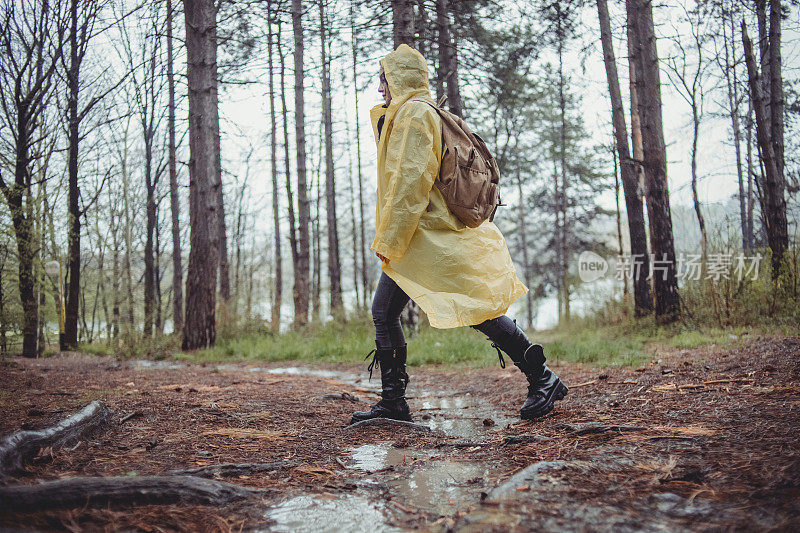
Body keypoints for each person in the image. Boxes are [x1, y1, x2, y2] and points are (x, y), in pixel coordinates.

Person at [350, 44, 567, 425]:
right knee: (386, 312)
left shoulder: (415, 114)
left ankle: (542, 377)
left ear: (398, 78)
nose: (379, 87)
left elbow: (410, 184)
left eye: (383, 78)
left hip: (429, 237)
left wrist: (390, 240)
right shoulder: (406, 113)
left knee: (476, 310)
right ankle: (393, 404)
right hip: (422, 238)